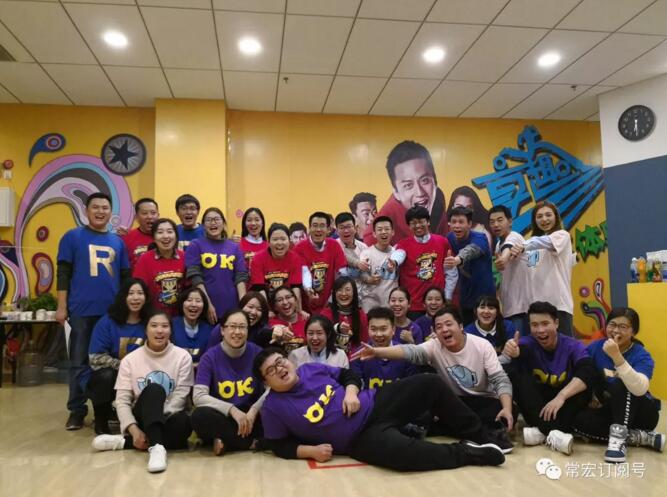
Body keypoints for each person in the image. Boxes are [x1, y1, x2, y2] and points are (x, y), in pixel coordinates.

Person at [254, 348, 506, 471]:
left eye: (280, 361)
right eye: (271, 370)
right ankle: (467, 452)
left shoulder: (310, 368)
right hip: (358, 439)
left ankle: (481, 435)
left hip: (376, 401)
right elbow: (279, 445)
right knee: (405, 457)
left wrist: (351, 392)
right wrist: (310, 451)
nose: (280, 369)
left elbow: (348, 375)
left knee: (430, 383)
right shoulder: (272, 408)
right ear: (266, 382)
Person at [353, 306, 514, 452]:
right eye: (439, 326)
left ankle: (473, 432)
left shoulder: (482, 345)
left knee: (502, 410)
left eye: (448, 324)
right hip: (453, 402)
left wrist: (507, 408)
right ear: (435, 332)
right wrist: (377, 352)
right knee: (429, 404)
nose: (444, 329)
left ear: (460, 326)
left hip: (484, 401)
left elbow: (500, 380)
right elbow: (410, 351)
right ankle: (483, 435)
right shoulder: (434, 346)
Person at [56, 192, 130, 430]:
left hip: (112, 314)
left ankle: (106, 407)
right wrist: (61, 306)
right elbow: (64, 273)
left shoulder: (118, 242)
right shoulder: (72, 237)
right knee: (79, 362)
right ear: (86, 210)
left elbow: (125, 277)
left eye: (105, 207)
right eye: (95, 207)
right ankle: (77, 409)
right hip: (81, 311)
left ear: (111, 212)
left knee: (110, 363)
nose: (100, 211)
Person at [91, 312, 194, 474]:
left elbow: (181, 395)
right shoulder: (130, 360)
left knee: (183, 425)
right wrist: (133, 429)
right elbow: (122, 401)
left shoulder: (183, 357)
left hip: (169, 415)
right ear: (145, 330)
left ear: (170, 331)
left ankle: (126, 442)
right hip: (141, 416)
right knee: (155, 389)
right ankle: (157, 448)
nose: (159, 330)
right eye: (154, 326)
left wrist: (158, 417)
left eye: (165, 326)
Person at [571, 307, 664, 462]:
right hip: (609, 410)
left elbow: (640, 389)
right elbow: (584, 373)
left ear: (633, 332)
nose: (616, 331)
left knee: (622, 383)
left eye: (623, 327)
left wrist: (617, 357)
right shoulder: (595, 347)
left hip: (642, 413)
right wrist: (591, 396)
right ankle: (639, 437)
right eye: (612, 325)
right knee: (578, 422)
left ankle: (618, 441)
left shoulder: (641, 354)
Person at [501, 301, 595, 455]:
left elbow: (588, 371)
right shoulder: (527, 343)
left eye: (545, 324)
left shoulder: (572, 346)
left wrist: (561, 396)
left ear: (556, 323)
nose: (540, 330)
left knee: (585, 384)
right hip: (539, 408)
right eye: (534, 325)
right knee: (513, 372)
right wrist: (514, 353)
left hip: (564, 404)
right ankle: (554, 432)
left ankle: (541, 433)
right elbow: (522, 350)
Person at [191, 309, 265, 456]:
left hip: (251, 417)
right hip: (223, 415)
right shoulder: (209, 357)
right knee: (199, 416)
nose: (237, 332)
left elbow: (272, 389)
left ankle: (226, 440)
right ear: (222, 330)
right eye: (232, 326)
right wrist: (231, 410)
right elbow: (198, 396)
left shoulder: (258, 353)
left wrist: (254, 410)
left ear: (248, 330)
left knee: (276, 408)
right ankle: (250, 443)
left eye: (242, 327)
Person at [85, 278, 151, 435]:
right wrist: (124, 366)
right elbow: (95, 358)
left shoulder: (151, 322)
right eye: (131, 293)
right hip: (114, 375)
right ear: (123, 297)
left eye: (140, 293)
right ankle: (101, 421)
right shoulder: (107, 322)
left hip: (144, 375)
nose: (135, 298)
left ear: (146, 297)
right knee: (104, 377)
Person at [363, 140, 448, 246]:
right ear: (396, 193)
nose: (419, 193)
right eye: (408, 185)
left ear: (435, 181)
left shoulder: (438, 198)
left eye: (425, 180)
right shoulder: (386, 219)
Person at [510, 201, 576, 336]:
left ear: (556, 217)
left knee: (564, 347)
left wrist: (523, 246)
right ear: (534, 220)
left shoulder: (562, 235)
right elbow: (527, 267)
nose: (544, 219)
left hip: (558, 306)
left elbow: (544, 242)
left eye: (548, 215)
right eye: (539, 216)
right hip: (536, 310)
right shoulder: (532, 248)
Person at [185, 207, 248, 324]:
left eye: (216, 219)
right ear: (203, 226)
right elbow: (195, 277)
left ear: (223, 223)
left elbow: (240, 277)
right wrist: (207, 304)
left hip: (232, 307)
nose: (213, 223)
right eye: (208, 220)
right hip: (205, 307)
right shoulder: (195, 245)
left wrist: (243, 305)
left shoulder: (234, 247)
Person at [396, 206, 456, 319]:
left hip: (438, 304)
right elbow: (397, 257)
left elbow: (451, 272)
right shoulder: (402, 245)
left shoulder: (442, 242)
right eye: (413, 223)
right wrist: (393, 262)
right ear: (409, 226)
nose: (418, 225)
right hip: (413, 306)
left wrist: (447, 297)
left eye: (421, 221)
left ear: (428, 222)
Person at [445, 206, 495, 325]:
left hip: (485, 299)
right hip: (465, 298)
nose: (457, 226)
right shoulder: (450, 238)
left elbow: (472, 250)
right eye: (453, 222)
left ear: (469, 224)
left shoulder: (480, 237)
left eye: (461, 222)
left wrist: (458, 259)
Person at [350, 307, 417, 390]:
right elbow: (355, 385)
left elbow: (411, 388)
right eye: (373, 329)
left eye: (383, 329)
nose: (378, 334)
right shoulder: (358, 355)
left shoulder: (405, 353)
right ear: (368, 329)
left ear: (393, 329)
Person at [294, 211, 347, 314]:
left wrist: (332, 300)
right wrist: (308, 289)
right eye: (315, 225)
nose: (318, 229)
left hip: (330, 305)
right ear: (309, 228)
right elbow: (304, 272)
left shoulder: (334, 245)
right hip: (306, 308)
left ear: (328, 229)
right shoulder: (299, 248)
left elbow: (342, 273)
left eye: (322, 226)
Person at [488, 205, 528, 335]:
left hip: (521, 309)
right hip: (509, 307)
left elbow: (508, 247)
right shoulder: (498, 245)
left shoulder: (514, 236)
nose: (496, 225)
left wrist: (504, 259)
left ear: (510, 221)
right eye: (492, 222)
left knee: (520, 344)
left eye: (500, 220)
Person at [133, 218, 186, 316]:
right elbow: (138, 289)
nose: (165, 236)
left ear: (176, 236)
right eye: (160, 232)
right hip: (153, 317)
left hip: (180, 317)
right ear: (153, 237)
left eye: (170, 232)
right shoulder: (145, 259)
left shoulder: (184, 257)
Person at [248, 223, 303, 308]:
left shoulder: (295, 258)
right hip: (265, 304)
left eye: (283, 239)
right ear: (268, 242)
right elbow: (259, 289)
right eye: (275, 239)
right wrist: (268, 311)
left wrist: (297, 310)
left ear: (289, 241)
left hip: (287, 305)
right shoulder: (257, 259)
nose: (279, 243)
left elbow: (295, 288)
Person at [358, 216, 404, 313]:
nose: (383, 232)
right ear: (374, 234)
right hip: (370, 305)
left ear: (393, 232)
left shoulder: (396, 254)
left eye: (387, 229)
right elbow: (361, 274)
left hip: (391, 305)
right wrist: (369, 279)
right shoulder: (367, 254)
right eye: (379, 229)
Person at [320, 276, 369, 355]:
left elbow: (364, 343)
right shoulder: (325, 314)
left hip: (354, 357)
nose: (343, 294)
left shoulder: (361, 314)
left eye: (347, 290)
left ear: (354, 293)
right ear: (334, 293)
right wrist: (338, 329)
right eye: (339, 290)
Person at [171, 287, 214, 365]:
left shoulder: (209, 330)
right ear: (182, 303)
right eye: (189, 300)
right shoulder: (171, 326)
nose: (194, 304)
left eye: (198, 301)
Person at [121, 198, 160, 270]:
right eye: (144, 213)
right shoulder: (126, 238)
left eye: (153, 213)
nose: (149, 217)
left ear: (158, 215)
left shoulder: (165, 238)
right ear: (136, 217)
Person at [267, 286, 308, 352]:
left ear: (296, 300)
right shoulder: (270, 323)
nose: (285, 302)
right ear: (275, 307)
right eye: (280, 300)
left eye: (288, 297)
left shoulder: (306, 321)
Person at [335, 211, 368, 288]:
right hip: (340, 290)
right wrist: (357, 263)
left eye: (349, 227)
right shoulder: (334, 245)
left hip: (362, 291)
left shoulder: (363, 247)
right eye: (342, 228)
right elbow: (342, 255)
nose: (346, 231)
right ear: (337, 231)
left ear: (355, 228)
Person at [238, 207, 269, 271]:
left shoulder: (269, 247)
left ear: (262, 223)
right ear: (244, 223)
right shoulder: (237, 244)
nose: (253, 223)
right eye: (249, 220)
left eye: (257, 220)